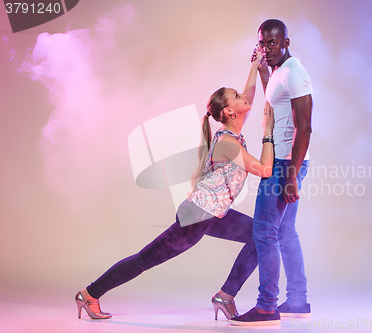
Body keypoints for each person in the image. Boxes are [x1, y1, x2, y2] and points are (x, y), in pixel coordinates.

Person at [75, 49, 275, 321]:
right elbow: (264, 169)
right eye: (237, 97)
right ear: (229, 111)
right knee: (145, 259)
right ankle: (89, 294)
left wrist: (254, 66)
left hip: (213, 213)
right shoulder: (228, 142)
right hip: (197, 215)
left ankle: (225, 296)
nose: (245, 97)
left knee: (258, 235)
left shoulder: (231, 131)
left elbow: (248, 97)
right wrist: (267, 132)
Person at [230, 19, 313, 326]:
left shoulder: (296, 75)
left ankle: (266, 306)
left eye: (272, 43)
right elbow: (274, 100)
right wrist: (261, 69)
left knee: (264, 232)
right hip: (284, 162)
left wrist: (291, 176)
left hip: (284, 165)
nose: (267, 49)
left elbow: (305, 127)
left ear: (286, 43)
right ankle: (298, 301)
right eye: (262, 43)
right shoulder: (279, 72)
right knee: (284, 232)